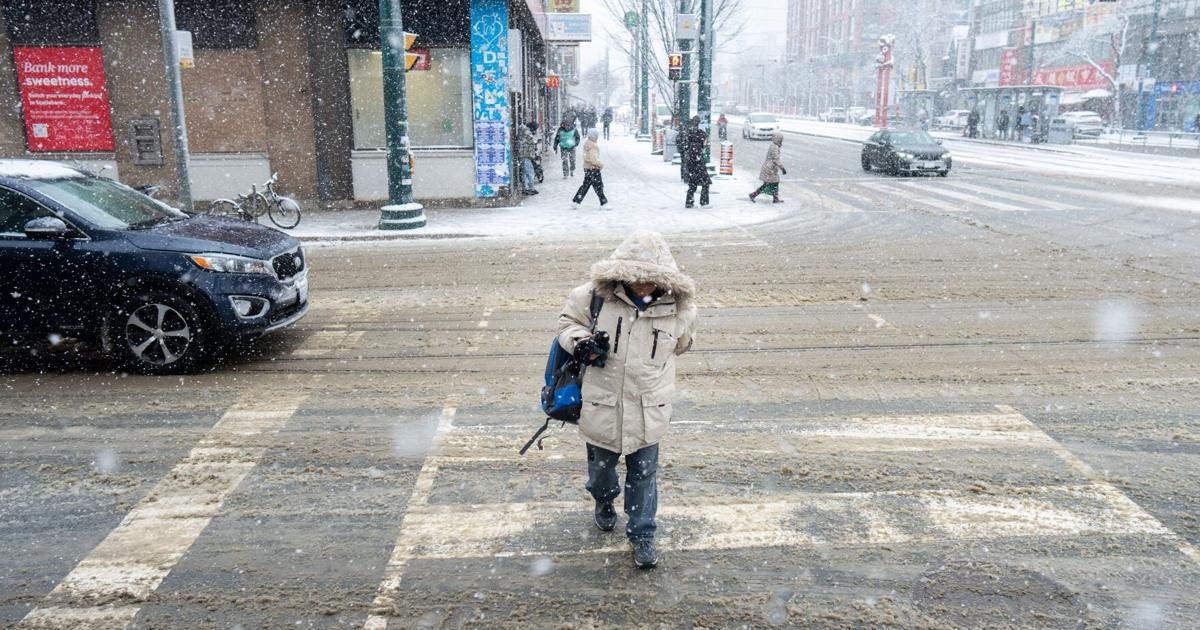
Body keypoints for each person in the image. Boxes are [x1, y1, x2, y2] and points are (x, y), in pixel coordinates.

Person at [556, 229, 698, 569]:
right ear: (621, 275)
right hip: (602, 402)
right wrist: (581, 343)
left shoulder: (681, 309)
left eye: (651, 281)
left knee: (645, 475)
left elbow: (683, 343)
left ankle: (643, 534)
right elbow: (566, 326)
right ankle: (604, 500)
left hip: (649, 407)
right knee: (602, 472)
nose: (643, 286)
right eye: (636, 279)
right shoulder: (591, 298)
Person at [680, 116, 711, 208]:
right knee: (705, 183)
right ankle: (704, 202)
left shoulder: (688, 134)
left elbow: (683, 146)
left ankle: (689, 202)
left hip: (691, 164)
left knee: (693, 185)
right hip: (698, 164)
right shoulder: (699, 136)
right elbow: (703, 142)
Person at [572, 130, 608, 209]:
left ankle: (576, 201)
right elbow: (593, 159)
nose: (597, 137)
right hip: (593, 168)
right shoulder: (593, 146)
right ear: (593, 136)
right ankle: (604, 203)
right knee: (598, 186)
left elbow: (586, 157)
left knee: (586, 186)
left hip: (588, 168)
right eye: (596, 135)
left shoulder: (587, 143)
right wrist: (601, 164)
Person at [749, 132, 786, 203]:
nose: (781, 141)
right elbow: (776, 159)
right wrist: (782, 168)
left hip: (770, 168)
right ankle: (754, 195)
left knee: (772, 183)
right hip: (769, 169)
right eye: (780, 139)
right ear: (778, 139)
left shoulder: (774, 145)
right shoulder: (774, 147)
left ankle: (774, 198)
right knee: (770, 183)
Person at [516, 120, 539, 195]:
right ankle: (529, 188)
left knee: (525, 172)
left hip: (523, 154)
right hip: (525, 154)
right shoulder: (526, 132)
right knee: (529, 171)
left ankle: (526, 187)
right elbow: (532, 140)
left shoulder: (523, 130)